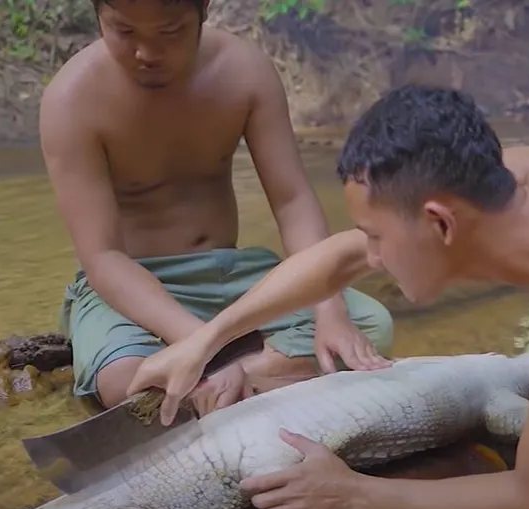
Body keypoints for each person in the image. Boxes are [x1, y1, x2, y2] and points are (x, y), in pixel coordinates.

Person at [126, 85, 529, 509]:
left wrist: (354, 492)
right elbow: (339, 259)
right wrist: (205, 340)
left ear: (438, 223)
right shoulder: (518, 176)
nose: (372, 256)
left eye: (379, 237)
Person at [38, 0, 394, 414]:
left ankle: (224, 388)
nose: (147, 53)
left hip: (231, 275)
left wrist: (329, 307)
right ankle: (259, 376)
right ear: (98, 14)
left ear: (204, 9)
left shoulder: (244, 72)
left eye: (170, 32)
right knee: (122, 382)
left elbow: (292, 200)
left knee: (370, 326)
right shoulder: (72, 100)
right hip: (130, 285)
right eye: (124, 32)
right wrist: (201, 347)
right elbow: (103, 257)